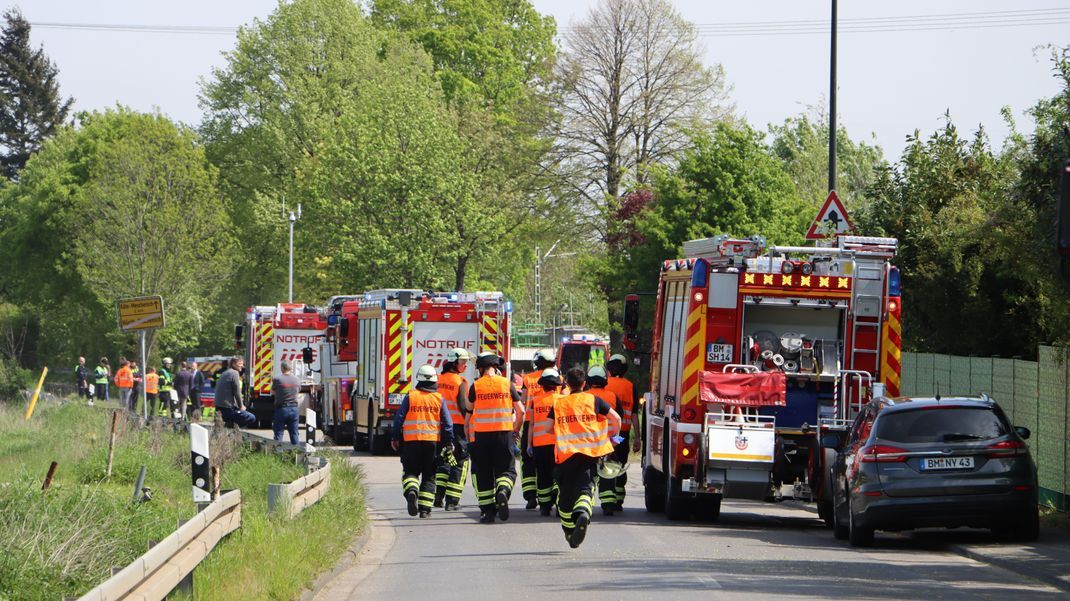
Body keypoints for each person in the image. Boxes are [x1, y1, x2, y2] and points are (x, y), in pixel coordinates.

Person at [552, 367, 621, 548]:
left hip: (565, 456)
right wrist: (614, 438)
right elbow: (617, 419)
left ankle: (569, 531)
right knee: (586, 489)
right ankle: (582, 511)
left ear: (567, 383)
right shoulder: (594, 400)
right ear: (584, 384)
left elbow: (545, 428)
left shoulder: (559, 404)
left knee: (565, 498)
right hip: (589, 455)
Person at [467, 352, 524, 524]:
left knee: (483, 472)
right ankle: (503, 490)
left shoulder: (475, 386)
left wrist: (469, 438)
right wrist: (515, 431)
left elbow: (468, 415)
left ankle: (488, 513)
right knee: (507, 470)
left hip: (481, 436)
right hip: (504, 434)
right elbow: (521, 411)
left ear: (481, 368)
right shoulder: (507, 384)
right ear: (495, 367)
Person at [391, 365, 454, 518]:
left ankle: (412, 491)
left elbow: (399, 419)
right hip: (432, 444)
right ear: (434, 380)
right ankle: (425, 510)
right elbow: (448, 424)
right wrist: (448, 443)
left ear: (419, 379)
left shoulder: (410, 396)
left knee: (410, 472)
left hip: (411, 443)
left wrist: (395, 437)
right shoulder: (439, 399)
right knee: (429, 476)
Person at [433, 348, 471, 511]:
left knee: (443, 460)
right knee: (460, 462)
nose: (465, 365)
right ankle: (452, 501)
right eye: (463, 362)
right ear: (454, 363)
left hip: (439, 427)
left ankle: (438, 496)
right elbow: (463, 407)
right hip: (457, 427)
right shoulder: (460, 382)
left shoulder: (437, 380)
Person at [519, 349, 556, 510]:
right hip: (554, 424)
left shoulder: (528, 378)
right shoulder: (558, 378)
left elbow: (523, 400)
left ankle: (530, 496)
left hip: (531, 422)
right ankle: (552, 492)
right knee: (554, 461)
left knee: (528, 461)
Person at [605, 354, 641, 511]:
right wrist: (638, 438)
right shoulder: (630, 386)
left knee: (606, 463)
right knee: (619, 463)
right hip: (621, 435)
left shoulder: (604, 384)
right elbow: (634, 415)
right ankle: (618, 498)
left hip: (603, 434)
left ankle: (608, 496)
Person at [586, 365, 623, 516]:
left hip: (587, 443)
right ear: (605, 380)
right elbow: (619, 418)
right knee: (607, 473)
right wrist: (615, 438)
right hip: (607, 442)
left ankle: (585, 501)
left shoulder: (584, 396)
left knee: (588, 474)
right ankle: (608, 504)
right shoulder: (613, 397)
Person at [526, 367, 562, 516]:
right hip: (558, 445)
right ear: (556, 385)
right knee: (558, 474)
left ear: (542, 384)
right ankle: (558, 500)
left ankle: (545, 506)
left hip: (540, 444)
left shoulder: (535, 400)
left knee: (542, 475)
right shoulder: (562, 400)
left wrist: (529, 444)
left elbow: (532, 424)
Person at [215, 356, 256, 429]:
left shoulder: (225, 372)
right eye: (240, 364)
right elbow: (237, 392)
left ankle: (231, 427)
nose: (242, 366)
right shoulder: (234, 373)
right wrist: (241, 406)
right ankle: (232, 428)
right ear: (233, 364)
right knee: (251, 417)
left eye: (242, 364)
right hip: (228, 409)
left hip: (220, 408)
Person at [272, 360, 302, 445]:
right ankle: (297, 453)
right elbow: (298, 390)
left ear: (282, 368)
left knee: (279, 433)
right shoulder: (297, 379)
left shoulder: (277, 379)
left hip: (282, 409)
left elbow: (273, 392)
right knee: (294, 433)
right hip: (294, 409)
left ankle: (278, 454)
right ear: (290, 368)